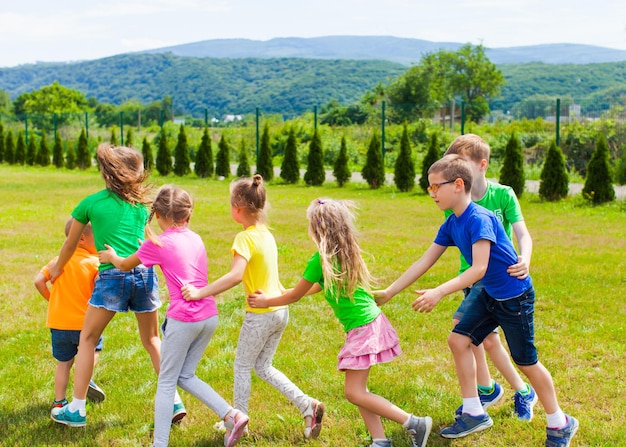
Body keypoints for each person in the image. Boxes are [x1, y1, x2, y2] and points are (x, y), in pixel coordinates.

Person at [375, 155, 578, 445]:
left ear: (458, 185)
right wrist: (390, 292)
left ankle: (560, 423)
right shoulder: (451, 223)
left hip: (514, 297)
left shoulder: (480, 218)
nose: (431, 193)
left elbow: (478, 268)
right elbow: (425, 261)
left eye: (435, 187)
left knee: (526, 362)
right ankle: (474, 412)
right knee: (458, 340)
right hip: (488, 293)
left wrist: (439, 291)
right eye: (429, 187)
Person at [248, 198, 432, 447]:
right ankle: (380, 440)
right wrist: (285, 290)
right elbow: (318, 286)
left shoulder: (319, 259)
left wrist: (268, 300)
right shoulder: (346, 250)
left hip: (363, 327)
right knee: (360, 392)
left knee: (353, 392)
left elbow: (294, 296)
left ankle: (413, 423)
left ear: (316, 228)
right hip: (369, 322)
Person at [47, 143, 185, 427]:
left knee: (87, 338)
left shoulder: (91, 203)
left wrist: (57, 269)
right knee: (151, 340)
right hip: (144, 274)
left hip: (112, 276)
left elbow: (70, 244)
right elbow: (150, 241)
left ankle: (76, 409)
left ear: (108, 173)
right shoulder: (140, 205)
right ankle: (173, 402)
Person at [99, 185, 248, 447]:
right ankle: (232, 415)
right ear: (187, 214)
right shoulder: (196, 238)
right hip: (208, 316)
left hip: (184, 320)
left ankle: (160, 443)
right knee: (185, 375)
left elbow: (123, 265)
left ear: (157, 215)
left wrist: (111, 256)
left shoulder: (157, 243)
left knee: (167, 381)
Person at [181, 174, 324, 440]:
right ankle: (307, 405)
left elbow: (236, 276)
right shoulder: (266, 235)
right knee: (263, 367)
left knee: (242, 367)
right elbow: (272, 277)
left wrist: (200, 292)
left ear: (237, 208)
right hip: (280, 312)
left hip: (261, 315)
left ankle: (236, 421)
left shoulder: (244, 239)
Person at [443, 133, 537, 420]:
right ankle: (488, 389)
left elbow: (522, 232)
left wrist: (526, 258)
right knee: (473, 337)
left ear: (482, 165)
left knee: (481, 337)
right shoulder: (455, 198)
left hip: (497, 278)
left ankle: (520, 391)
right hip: (470, 276)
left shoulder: (503, 194)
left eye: (461, 163)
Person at [34, 218, 106, 419]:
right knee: (94, 350)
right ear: (82, 238)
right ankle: (86, 378)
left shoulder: (58, 261)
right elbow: (101, 290)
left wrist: (52, 300)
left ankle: (59, 402)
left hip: (59, 323)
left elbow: (38, 281)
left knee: (63, 363)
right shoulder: (94, 263)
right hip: (85, 324)